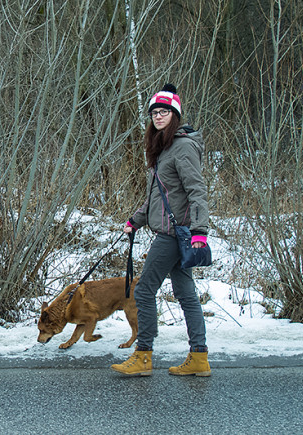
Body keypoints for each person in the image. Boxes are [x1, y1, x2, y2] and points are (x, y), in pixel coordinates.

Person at [110, 84, 211, 377]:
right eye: (154, 112)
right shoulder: (164, 149)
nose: (158, 116)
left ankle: (143, 355)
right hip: (175, 232)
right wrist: (135, 220)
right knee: (186, 294)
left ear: (175, 115)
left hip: (174, 235)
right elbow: (158, 196)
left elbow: (197, 190)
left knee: (142, 290)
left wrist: (199, 231)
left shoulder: (182, 147)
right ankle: (199, 358)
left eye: (164, 111)